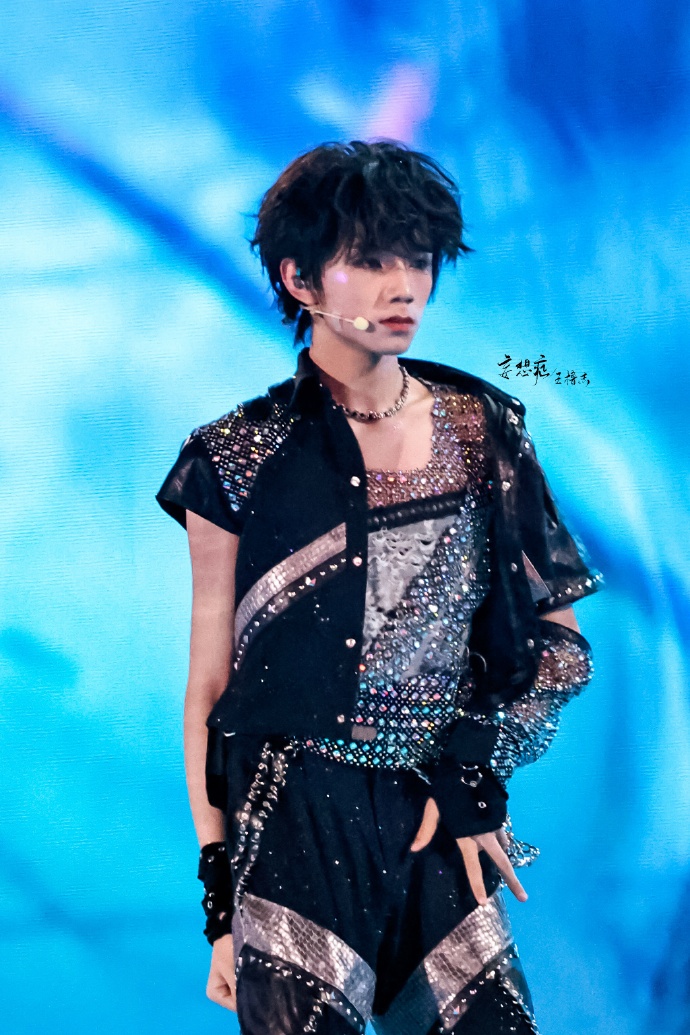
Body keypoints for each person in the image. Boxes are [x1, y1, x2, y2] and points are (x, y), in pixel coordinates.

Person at [155, 139, 604, 1034]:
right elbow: (210, 688)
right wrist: (220, 897)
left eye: (419, 258)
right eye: (370, 260)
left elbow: (560, 639)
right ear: (300, 279)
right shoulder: (233, 456)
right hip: (291, 822)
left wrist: (475, 762)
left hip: (437, 810)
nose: (405, 286)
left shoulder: (484, 430)